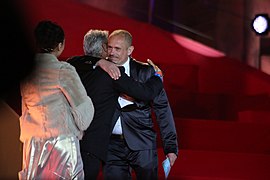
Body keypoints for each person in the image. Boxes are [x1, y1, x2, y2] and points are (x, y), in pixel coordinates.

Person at [67, 29, 164, 179]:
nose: (111, 52)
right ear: (104, 49)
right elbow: (145, 93)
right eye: (109, 47)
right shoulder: (112, 73)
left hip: (67, 141)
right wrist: (157, 77)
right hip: (92, 144)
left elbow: (72, 60)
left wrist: (97, 61)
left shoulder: (73, 68)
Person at [18, 20, 94, 180]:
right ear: (60, 45)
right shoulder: (63, 70)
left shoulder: (26, 71)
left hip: (33, 142)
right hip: (61, 142)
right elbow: (82, 107)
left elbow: (24, 109)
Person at [103, 29, 178, 180]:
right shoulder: (101, 69)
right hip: (111, 144)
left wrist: (170, 147)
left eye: (117, 49)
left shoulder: (147, 72)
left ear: (130, 50)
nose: (112, 52)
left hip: (142, 140)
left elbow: (162, 109)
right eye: (109, 47)